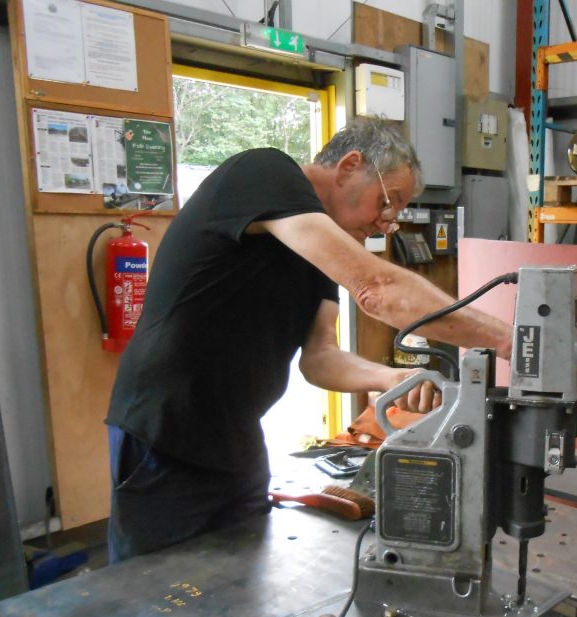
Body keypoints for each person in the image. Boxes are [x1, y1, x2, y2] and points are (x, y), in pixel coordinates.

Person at [105, 117, 512, 563]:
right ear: (350, 165)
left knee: (238, 586)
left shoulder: (318, 250)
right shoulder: (263, 173)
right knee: (156, 593)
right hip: (164, 432)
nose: (384, 224)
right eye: (386, 202)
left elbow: (320, 357)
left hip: (236, 438)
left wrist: (396, 376)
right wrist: (510, 339)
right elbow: (376, 290)